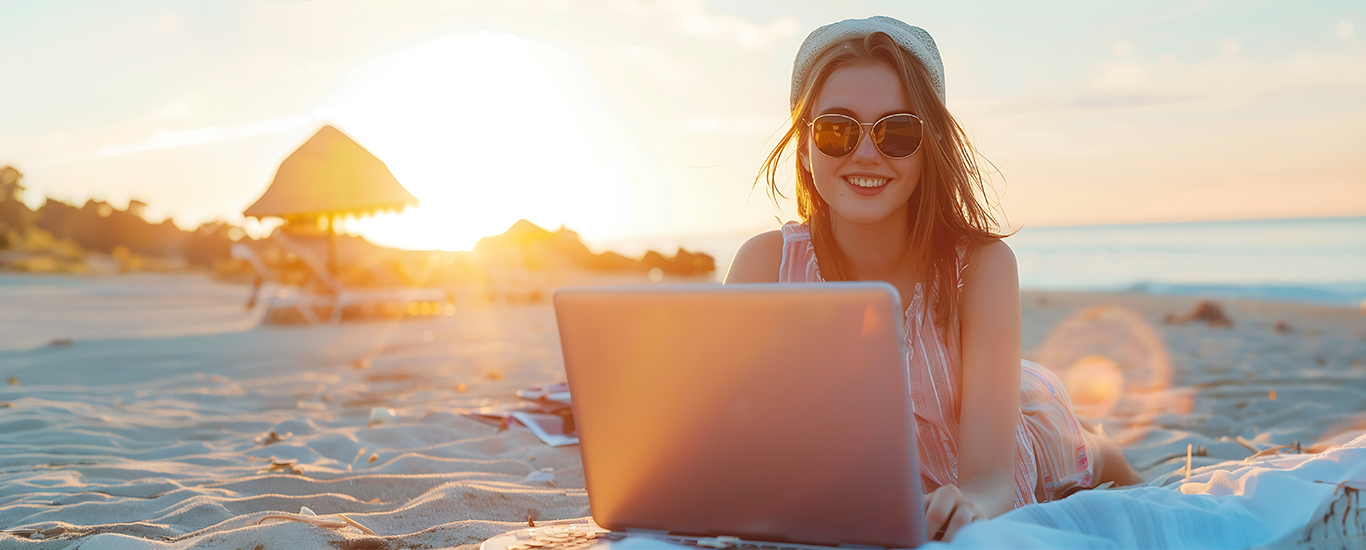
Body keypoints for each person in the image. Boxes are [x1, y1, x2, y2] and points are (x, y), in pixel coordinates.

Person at [725, 16, 1142, 542]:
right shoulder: (764, 266)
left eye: (896, 131)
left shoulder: (982, 266)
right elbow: (732, 440)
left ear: (929, 146)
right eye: (836, 129)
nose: (866, 153)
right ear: (805, 147)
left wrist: (970, 502)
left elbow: (991, 477)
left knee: (1077, 452)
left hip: (1001, 434)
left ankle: (1110, 455)